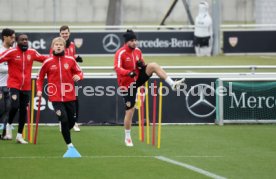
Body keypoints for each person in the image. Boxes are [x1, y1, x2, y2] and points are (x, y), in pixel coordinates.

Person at [114, 29, 185, 147]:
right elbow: (117, 68)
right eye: (132, 40)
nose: (135, 42)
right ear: (126, 42)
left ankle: (172, 84)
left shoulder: (138, 51)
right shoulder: (120, 53)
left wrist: (141, 66)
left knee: (153, 65)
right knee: (130, 111)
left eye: (136, 40)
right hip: (127, 85)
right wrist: (128, 73)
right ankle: (127, 137)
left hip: (137, 79)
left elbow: (142, 64)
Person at [37, 37, 83, 157]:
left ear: (64, 47)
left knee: (71, 122)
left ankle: (66, 132)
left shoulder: (71, 60)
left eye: (60, 45)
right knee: (63, 119)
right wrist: (39, 90)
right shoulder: (47, 62)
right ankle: (70, 146)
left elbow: (80, 71)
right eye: (56, 44)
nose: (58, 46)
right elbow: (40, 77)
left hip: (70, 96)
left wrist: (79, 76)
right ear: (52, 47)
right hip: (55, 97)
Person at [0, 34, 48, 144]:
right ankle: (9, 125)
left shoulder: (32, 52)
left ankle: (19, 136)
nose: (25, 41)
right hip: (14, 84)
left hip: (26, 86)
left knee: (23, 111)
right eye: (22, 40)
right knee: (14, 105)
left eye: (26, 39)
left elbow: (44, 59)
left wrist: (58, 56)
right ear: (17, 41)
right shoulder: (11, 52)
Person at [50, 25, 83, 132]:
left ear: (69, 33)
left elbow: (71, 59)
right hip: (60, 78)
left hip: (71, 77)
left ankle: (75, 122)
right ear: (60, 34)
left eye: (66, 33)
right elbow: (53, 58)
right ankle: (61, 121)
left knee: (75, 100)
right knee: (60, 101)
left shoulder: (72, 44)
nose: (65, 35)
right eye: (63, 33)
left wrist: (76, 58)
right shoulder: (56, 45)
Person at [0, 28, 15, 139]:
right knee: (1, 109)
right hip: (0, 85)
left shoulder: (13, 51)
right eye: (11, 37)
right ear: (5, 37)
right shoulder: (0, 50)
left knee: (8, 109)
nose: (13, 39)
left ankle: (5, 133)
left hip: (9, 85)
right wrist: (11, 69)